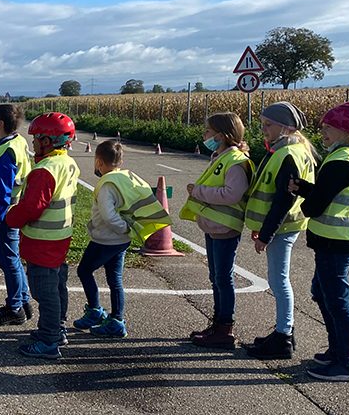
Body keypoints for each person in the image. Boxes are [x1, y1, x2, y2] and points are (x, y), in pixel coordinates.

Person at [290, 102, 349, 382]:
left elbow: (315, 206)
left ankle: (348, 363)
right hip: (341, 238)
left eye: (328, 127)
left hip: (335, 240)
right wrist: (307, 188)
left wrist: (306, 197)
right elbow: (331, 193)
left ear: (345, 130)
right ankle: (337, 352)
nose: (323, 132)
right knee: (323, 293)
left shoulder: (342, 160)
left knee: (336, 301)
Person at [74, 139, 171, 338]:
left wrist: (123, 228)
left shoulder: (107, 184)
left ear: (99, 162)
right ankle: (117, 320)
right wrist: (127, 230)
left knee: (84, 270)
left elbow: (108, 215)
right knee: (115, 279)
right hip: (121, 240)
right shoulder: (126, 177)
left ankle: (94, 310)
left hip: (105, 239)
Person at [244, 102, 316, 359]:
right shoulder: (291, 150)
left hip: (283, 226)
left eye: (268, 125)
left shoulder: (288, 154)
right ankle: (283, 333)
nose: (263, 129)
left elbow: (284, 200)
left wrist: (266, 234)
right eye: (263, 124)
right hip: (284, 225)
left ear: (286, 127)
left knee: (278, 280)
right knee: (278, 279)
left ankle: (283, 336)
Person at [5, 112, 80, 359]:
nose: (33, 142)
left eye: (36, 138)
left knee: (44, 292)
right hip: (60, 238)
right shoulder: (67, 163)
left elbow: (31, 208)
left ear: (47, 141)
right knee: (57, 287)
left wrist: (10, 217)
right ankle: (57, 329)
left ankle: (49, 340)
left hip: (42, 242)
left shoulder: (44, 170)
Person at [180, 112, 254, 350]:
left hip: (225, 227)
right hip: (214, 225)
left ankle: (225, 328)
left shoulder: (235, 161)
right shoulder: (221, 156)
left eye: (208, 131)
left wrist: (198, 191)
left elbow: (232, 194)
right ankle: (218, 324)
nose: (205, 135)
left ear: (221, 135)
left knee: (223, 278)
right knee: (216, 277)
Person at [0, 104, 33, 326]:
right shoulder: (17, 142)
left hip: (5, 216)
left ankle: (15, 308)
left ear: (0, 124)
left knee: (9, 261)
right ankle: (23, 301)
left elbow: (2, 192)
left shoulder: (5, 152)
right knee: (14, 259)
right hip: (13, 212)